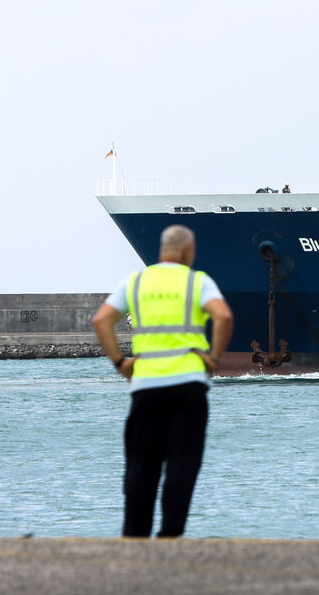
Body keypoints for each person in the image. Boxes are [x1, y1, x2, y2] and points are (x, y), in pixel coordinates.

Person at [92, 224, 234, 539]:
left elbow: (102, 320)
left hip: (146, 386)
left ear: (161, 250)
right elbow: (223, 317)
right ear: (187, 251)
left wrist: (120, 363)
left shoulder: (136, 282)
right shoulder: (197, 282)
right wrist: (213, 358)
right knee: (182, 463)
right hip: (189, 386)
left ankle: (135, 536)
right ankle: (170, 536)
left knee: (142, 464)